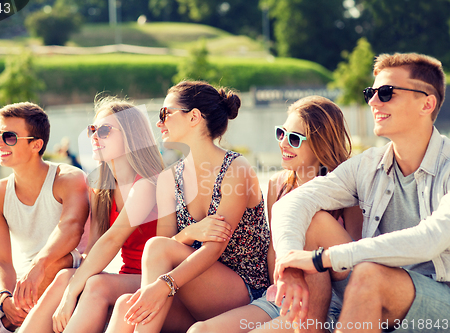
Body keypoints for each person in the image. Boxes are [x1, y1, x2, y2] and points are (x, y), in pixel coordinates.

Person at [272, 53, 450, 333]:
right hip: (368, 283)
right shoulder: (368, 164)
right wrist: (290, 262)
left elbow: (429, 240)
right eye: (371, 92)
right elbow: (292, 202)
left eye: (387, 92)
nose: (373, 101)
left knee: (369, 272)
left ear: (427, 103)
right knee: (315, 220)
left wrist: (321, 259)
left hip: (440, 299)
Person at [105, 80, 271, 333]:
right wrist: (189, 233)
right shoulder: (169, 178)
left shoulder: (236, 168)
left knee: (155, 254)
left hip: (243, 292)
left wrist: (162, 286)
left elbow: (213, 250)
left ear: (194, 117)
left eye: (165, 114)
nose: (159, 122)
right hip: (190, 288)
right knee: (126, 306)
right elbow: (165, 242)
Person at [187, 96, 362, 332]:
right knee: (200, 330)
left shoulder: (347, 188)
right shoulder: (277, 184)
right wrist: (283, 288)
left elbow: (352, 264)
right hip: (281, 298)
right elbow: (273, 248)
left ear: (321, 143)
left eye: (294, 138)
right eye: (281, 133)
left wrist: (308, 266)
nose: (283, 143)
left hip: (331, 303)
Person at [18, 97, 164, 333]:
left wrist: (72, 293)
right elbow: (95, 245)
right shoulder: (101, 185)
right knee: (67, 276)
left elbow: (112, 240)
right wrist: (71, 283)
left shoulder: (148, 184)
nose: (94, 137)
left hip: (155, 280)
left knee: (94, 283)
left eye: (105, 130)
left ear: (131, 136)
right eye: (92, 130)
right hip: (126, 278)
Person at [0, 102, 89, 333]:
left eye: (10, 137)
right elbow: (1, 261)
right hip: (24, 274)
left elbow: (71, 228)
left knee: (57, 263)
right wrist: (4, 298)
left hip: (68, 266)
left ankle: (4, 327)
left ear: (36, 145)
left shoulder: (68, 179)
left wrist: (39, 264)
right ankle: (5, 323)